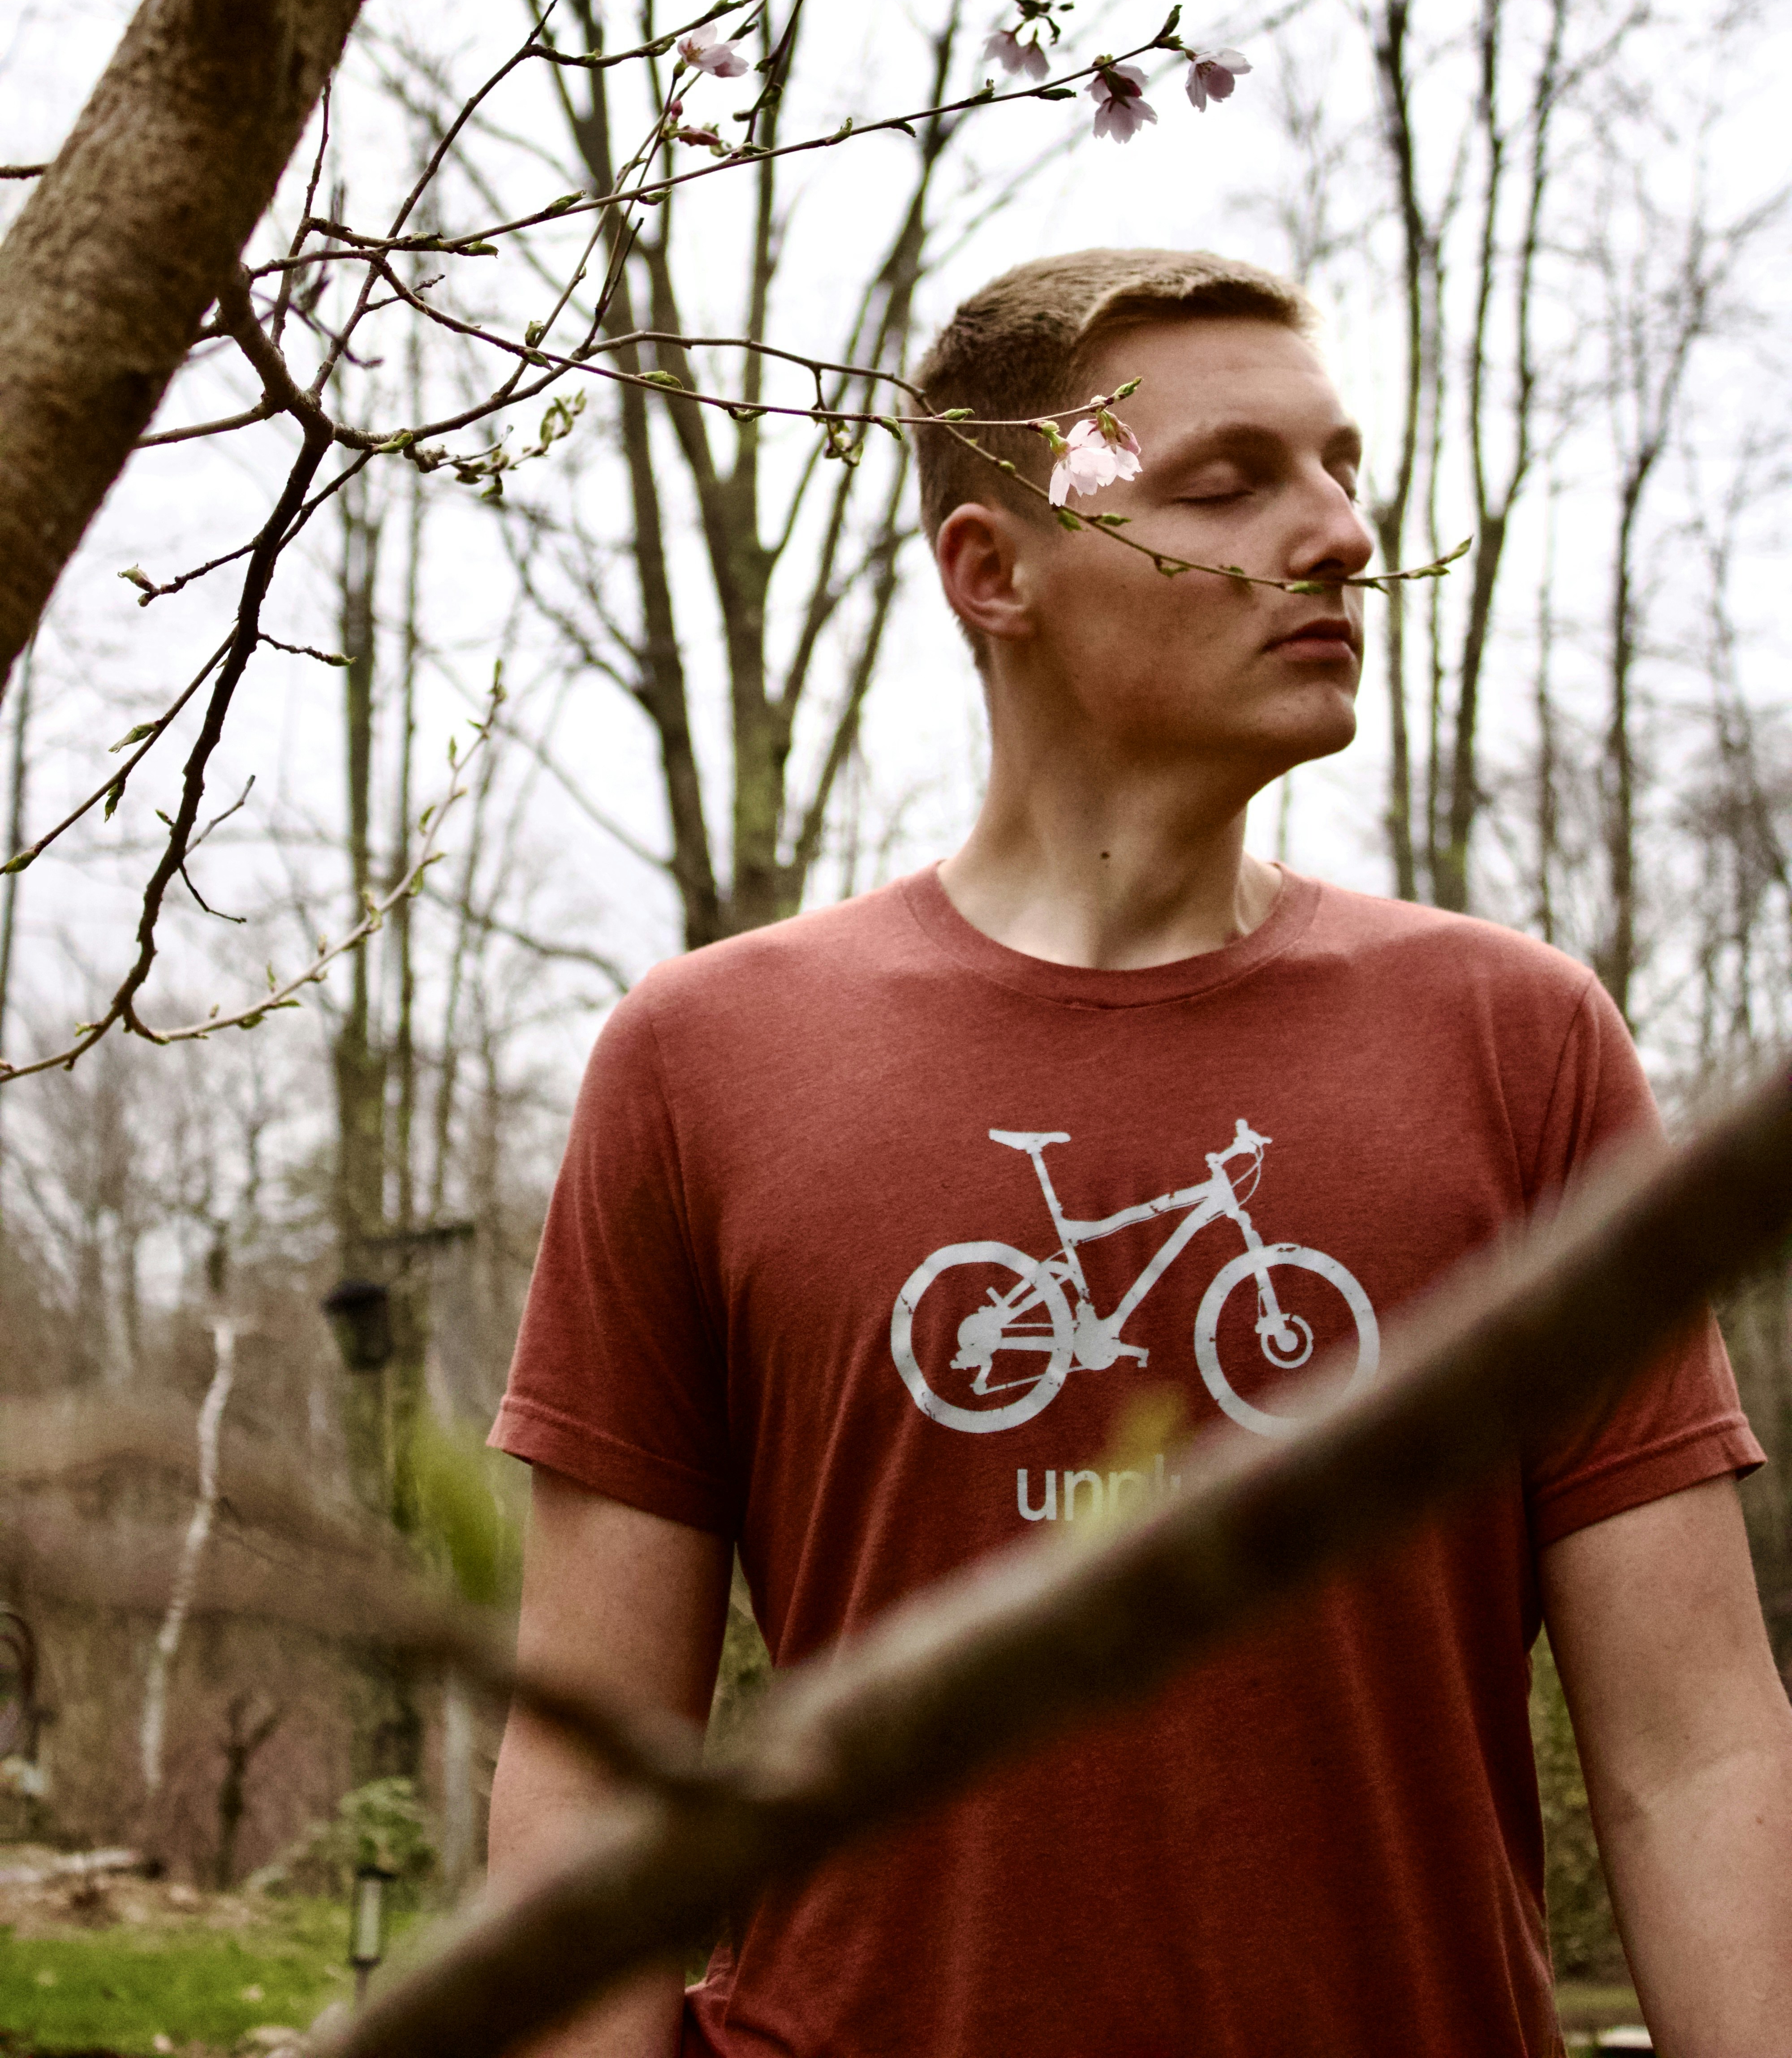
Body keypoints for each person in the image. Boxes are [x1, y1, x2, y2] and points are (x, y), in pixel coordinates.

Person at [487, 247, 1792, 2058]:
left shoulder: (1517, 1044)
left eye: (1342, 472)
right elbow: (583, 1781)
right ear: (991, 572)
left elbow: (1696, 1748)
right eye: (1229, 482)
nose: (1337, 535)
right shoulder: (707, 1058)